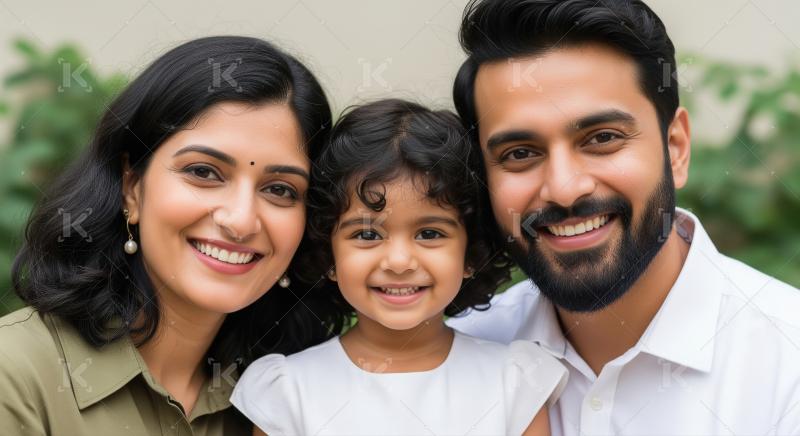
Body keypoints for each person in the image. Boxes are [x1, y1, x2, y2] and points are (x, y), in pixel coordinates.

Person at [446, 0, 800, 434]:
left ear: (676, 148)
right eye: (520, 154)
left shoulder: (789, 365)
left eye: (602, 139)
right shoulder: (458, 355)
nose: (564, 188)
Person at [0, 36, 348, 435]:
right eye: (203, 172)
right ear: (131, 185)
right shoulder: (15, 376)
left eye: (280, 189)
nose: (240, 220)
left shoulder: (290, 400)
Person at [230, 99, 569, 435]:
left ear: (470, 255)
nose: (399, 262)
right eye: (367, 234)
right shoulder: (288, 391)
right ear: (328, 257)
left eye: (429, 233)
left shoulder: (515, 381)